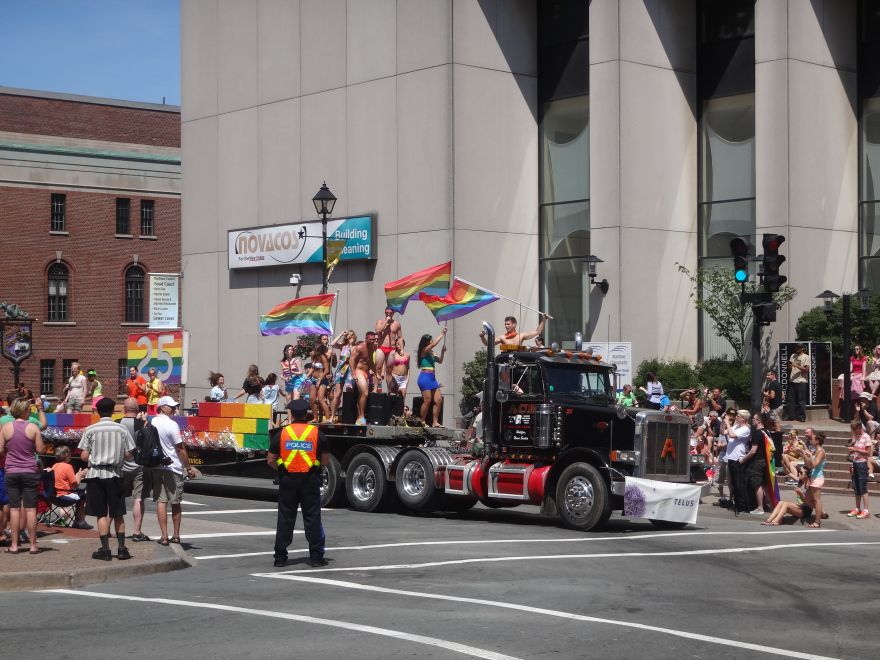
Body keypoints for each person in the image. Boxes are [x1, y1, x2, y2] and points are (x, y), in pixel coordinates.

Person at [268, 399, 328, 568]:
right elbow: (325, 460)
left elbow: (270, 460)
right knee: (312, 518)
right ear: (307, 413)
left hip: (288, 481)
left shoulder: (281, 433)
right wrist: (315, 466)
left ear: (292, 414)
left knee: (285, 518)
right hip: (310, 481)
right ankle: (316, 558)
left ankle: (280, 558)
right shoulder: (317, 433)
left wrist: (283, 468)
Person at [78, 396, 136, 560]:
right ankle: (122, 549)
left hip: (96, 474)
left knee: (101, 513)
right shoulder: (121, 429)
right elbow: (129, 454)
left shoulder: (90, 430)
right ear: (113, 411)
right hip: (115, 474)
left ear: (97, 411)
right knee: (118, 513)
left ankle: (105, 550)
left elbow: (84, 456)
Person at [0, 398, 45, 553]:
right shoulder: (33, 427)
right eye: (28, 410)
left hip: (12, 470)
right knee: (30, 509)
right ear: (24, 411)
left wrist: (9, 451)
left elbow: (0, 450)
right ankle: (33, 545)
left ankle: (14, 545)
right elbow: (40, 450)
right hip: (29, 470)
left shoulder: (6, 427)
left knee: (14, 509)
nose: (30, 412)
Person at [151, 396, 196, 545]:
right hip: (173, 467)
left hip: (157, 466)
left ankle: (164, 536)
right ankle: (176, 535)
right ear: (162, 407)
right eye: (171, 407)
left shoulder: (151, 422)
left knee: (161, 501)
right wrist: (188, 467)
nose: (174, 409)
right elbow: (180, 448)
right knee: (175, 502)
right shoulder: (172, 424)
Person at [119, 397, 150, 542]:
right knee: (138, 499)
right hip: (139, 466)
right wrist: (144, 421)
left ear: (124, 409)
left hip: (121, 466)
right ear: (137, 410)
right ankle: (137, 532)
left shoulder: (117, 423)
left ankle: (109, 530)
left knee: (116, 497)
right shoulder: (143, 424)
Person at [50, 445, 91, 529]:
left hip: (53, 496)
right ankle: (80, 521)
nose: (70, 455)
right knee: (85, 493)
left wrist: (77, 476)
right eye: (69, 453)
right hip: (64, 496)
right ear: (66, 455)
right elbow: (75, 486)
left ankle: (78, 521)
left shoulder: (54, 466)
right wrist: (80, 475)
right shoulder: (68, 467)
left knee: (80, 493)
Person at [724, 409, 753, 513]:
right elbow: (725, 432)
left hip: (738, 457)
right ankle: (737, 503)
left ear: (744, 418)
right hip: (731, 457)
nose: (736, 417)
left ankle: (742, 505)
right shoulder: (736, 426)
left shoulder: (746, 429)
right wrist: (725, 422)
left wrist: (728, 423)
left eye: (738, 416)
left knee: (738, 482)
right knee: (733, 483)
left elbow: (732, 435)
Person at [417, 328, 447, 427]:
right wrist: (442, 333)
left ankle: (435, 422)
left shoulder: (432, 352)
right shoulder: (424, 350)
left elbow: (440, 361)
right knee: (427, 401)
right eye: (430, 340)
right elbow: (434, 344)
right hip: (425, 377)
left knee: (438, 400)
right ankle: (422, 421)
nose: (432, 341)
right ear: (426, 342)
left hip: (432, 379)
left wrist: (442, 352)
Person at [349, 332, 379, 425]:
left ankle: (359, 418)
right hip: (358, 371)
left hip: (366, 373)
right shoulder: (359, 347)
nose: (373, 341)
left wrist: (376, 373)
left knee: (362, 394)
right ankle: (362, 417)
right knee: (365, 393)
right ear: (366, 339)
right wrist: (353, 373)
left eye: (374, 339)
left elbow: (371, 363)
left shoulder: (372, 348)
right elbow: (351, 359)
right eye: (371, 339)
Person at [846, 419, 872, 519]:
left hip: (862, 464)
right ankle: (857, 508)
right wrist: (852, 451)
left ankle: (866, 510)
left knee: (863, 487)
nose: (853, 431)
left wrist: (855, 449)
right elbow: (856, 450)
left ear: (860, 428)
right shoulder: (857, 436)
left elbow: (868, 453)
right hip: (856, 463)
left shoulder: (866, 437)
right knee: (856, 487)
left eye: (854, 429)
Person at [480, 314, 547, 350]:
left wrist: (544, 319)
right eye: (505, 324)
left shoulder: (521, 336)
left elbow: (538, 331)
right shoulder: (502, 337)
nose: (506, 326)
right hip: (506, 363)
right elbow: (487, 343)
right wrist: (482, 337)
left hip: (518, 363)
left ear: (514, 325)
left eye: (508, 324)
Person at [801, 430, 826, 528]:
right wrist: (803, 454)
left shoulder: (821, 451)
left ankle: (817, 521)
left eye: (812, 439)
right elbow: (809, 465)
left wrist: (810, 456)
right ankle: (821, 513)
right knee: (807, 500)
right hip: (813, 477)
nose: (811, 440)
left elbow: (814, 465)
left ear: (817, 441)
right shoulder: (815, 450)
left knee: (816, 500)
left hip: (818, 478)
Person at [330, 330, 356, 422]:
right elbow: (332, 344)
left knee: (349, 391)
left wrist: (351, 344)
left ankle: (349, 415)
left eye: (352, 335)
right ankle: (332, 416)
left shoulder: (355, 347)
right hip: (341, 369)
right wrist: (341, 334)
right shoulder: (342, 346)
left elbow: (352, 355)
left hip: (350, 369)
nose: (350, 336)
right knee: (337, 394)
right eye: (348, 335)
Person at [375, 308, 403, 383]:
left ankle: (389, 388)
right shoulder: (380, 322)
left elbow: (400, 337)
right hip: (381, 347)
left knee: (389, 370)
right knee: (378, 369)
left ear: (393, 313)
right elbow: (377, 330)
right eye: (387, 312)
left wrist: (402, 349)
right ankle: (375, 388)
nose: (388, 314)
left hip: (392, 349)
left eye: (390, 313)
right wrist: (385, 322)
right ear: (385, 312)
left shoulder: (397, 324)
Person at [786, 345, 809, 422]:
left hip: (802, 380)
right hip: (792, 380)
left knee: (801, 400)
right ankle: (791, 416)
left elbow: (806, 370)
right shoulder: (793, 355)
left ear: (802, 348)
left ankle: (801, 417)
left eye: (799, 347)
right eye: (796, 347)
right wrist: (790, 365)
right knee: (791, 399)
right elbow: (790, 367)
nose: (797, 349)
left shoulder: (806, 357)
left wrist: (795, 365)